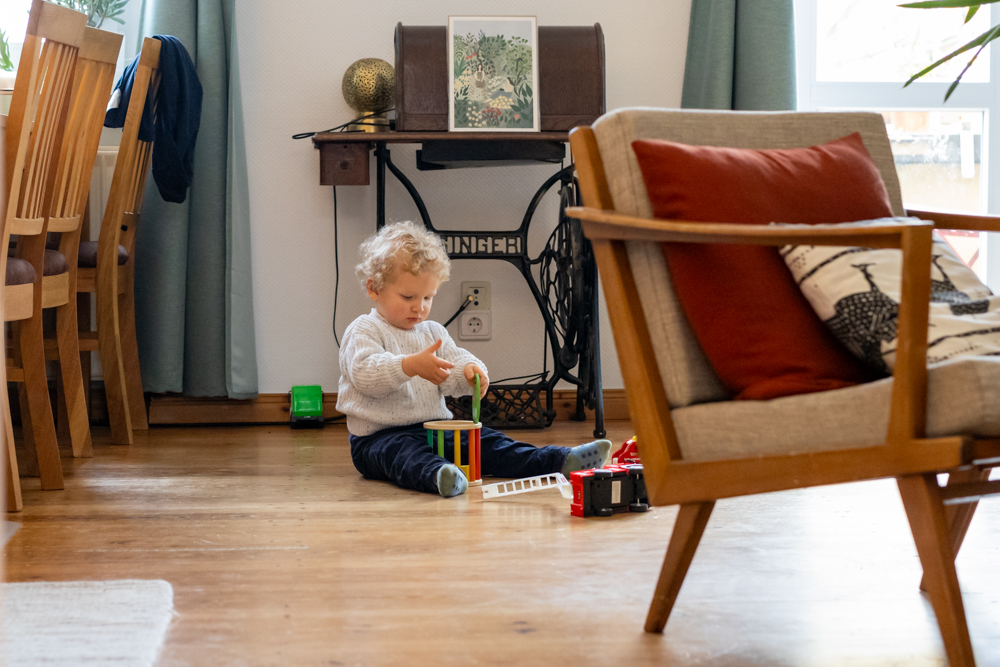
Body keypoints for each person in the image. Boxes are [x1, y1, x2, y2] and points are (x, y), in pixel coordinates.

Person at [338, 221, 611, 498]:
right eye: (408, 296)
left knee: (489, 442)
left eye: (428, 297)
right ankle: (438, 475)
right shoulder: (364, 330)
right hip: (378, 438)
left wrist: (470, 372)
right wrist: (408, 366)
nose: (419, 307)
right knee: (405, 456)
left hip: (436, 429)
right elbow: (364, 375)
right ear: (374, 289)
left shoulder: (432, 331)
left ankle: (561, 461)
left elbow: (455, 364)